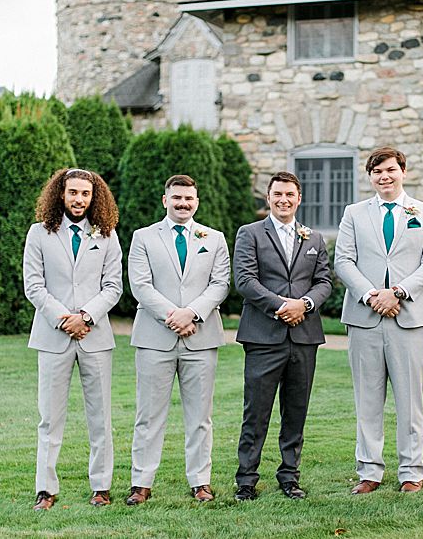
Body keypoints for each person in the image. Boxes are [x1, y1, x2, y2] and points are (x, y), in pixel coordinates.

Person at [335, 147, 423, 494]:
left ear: (403, 172)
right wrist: (371, 295)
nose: (385, 176)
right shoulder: (354, 214)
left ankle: (412, 471)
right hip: (364, 317)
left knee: (411, 400)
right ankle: (369, 471)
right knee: (367, 398)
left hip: (409, 317)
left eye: (391, 170)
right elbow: (344, 261)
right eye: (377, 171)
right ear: (370, 177)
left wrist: (396, 292)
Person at [125, 175, 231, 505]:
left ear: (196, 202)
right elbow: (140, 284)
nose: (183, 203)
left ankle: (200, 480)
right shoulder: (143, 237)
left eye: (188, 198)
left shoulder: (213, 238)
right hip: (155, 336)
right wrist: (173, 315)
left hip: (201, 336)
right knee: (148, 414)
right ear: (165, 200)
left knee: (200, 416)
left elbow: (221, 283)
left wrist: (192, 314)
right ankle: (141, 482)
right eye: (177, 198)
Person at [22, 168, 122, 510]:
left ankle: (101, 487)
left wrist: (87, 317)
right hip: (53, 337)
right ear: (60, 194)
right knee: (49, 418)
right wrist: (65, 319)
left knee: (100, 417)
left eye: (85, 194)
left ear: (94, 198)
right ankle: (46, 489)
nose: (79, 199)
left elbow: (113, 287)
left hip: (95, 338)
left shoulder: (107, 235)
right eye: (73, 192)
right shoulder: (39, 234)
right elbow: (34, 286)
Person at [233, 172, 333, 501]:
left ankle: (289, 476)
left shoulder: (314, 238)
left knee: (296, 410)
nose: (284, 200)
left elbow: (325, 282)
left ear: (299, 198)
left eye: (290, 194)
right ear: (268, 197)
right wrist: (281, 306)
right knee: (256, 411)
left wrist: (304, 304)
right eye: (278, 194)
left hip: (304, 337)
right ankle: (246, 479)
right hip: (263, 336)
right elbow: (245, 280)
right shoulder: (250, 234)